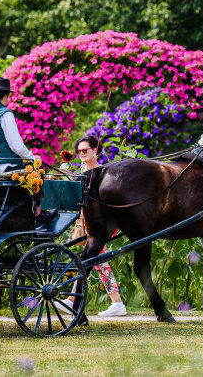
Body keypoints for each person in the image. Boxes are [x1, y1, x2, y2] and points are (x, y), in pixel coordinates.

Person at [0, 77, 53, 223]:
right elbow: (16, 145)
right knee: (37, 167)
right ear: (7, 95)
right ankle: (37, 211)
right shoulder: (5, 114)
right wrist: (31, 157)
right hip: (1, 166)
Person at [68, 135, 126, 317]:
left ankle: (72, 300)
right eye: (79, 151)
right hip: (86, 222)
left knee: (95, 260)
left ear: (95, 150)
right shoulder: (82, 171)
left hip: (100, 223)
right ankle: (116, 303)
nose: (81, 154)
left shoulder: (101, 173)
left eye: (85, 150)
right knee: (99, 262)